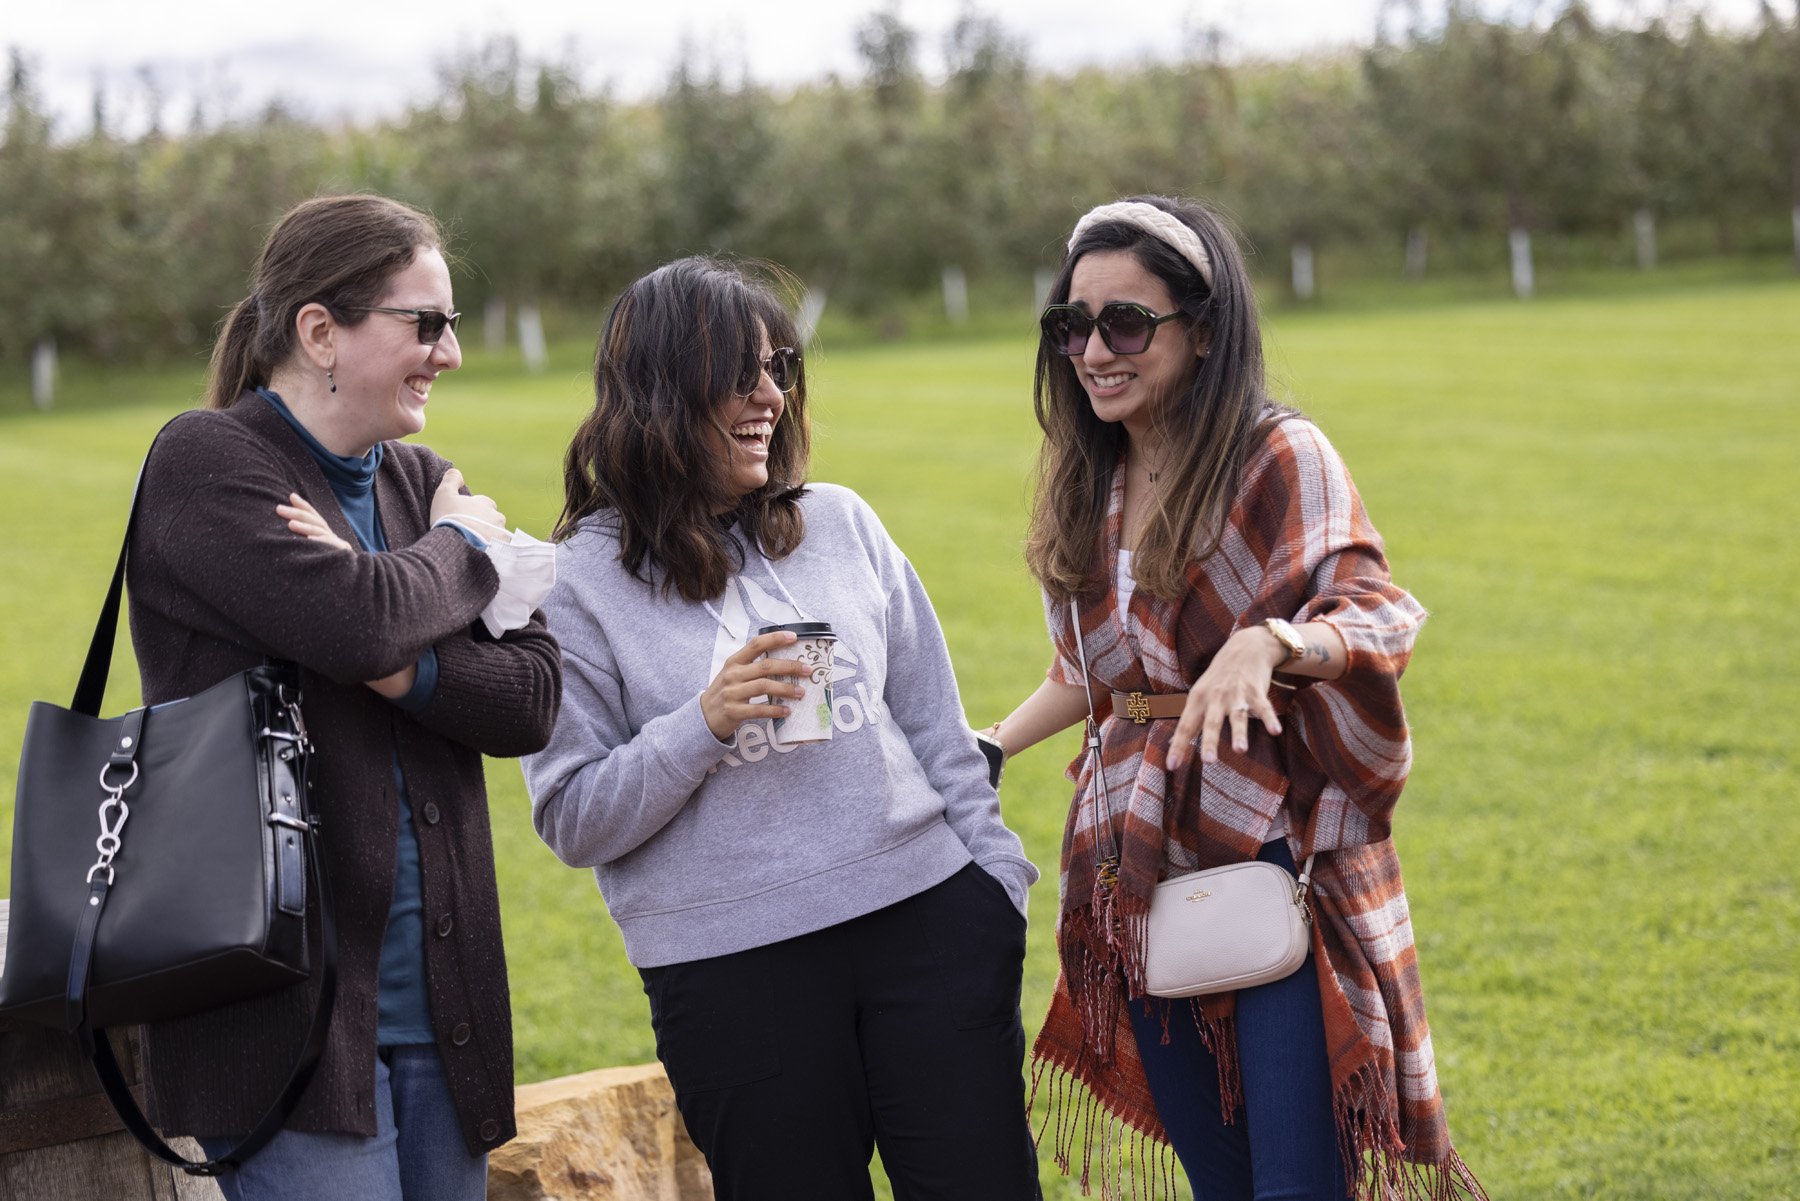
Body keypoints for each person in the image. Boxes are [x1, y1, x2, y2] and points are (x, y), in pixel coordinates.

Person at [981, 196, 1483, 1200]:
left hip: (1273, 855)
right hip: (1134, 864)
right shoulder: (1091, 477)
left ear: (1202, 330)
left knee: (1299, 1179)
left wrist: (1271, 640)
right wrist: (990, 744)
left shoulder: (1278, 455)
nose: (1093, 351)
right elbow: (1093, 674)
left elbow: (1377, 613)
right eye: (1071, 325)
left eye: (1125, 323)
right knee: (1221, 1177)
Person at [521, 256, 1042, 1201]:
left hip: (926, 928)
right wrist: (702, 724)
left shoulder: (841, 523)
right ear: (661, 393)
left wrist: (993, 887)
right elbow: (571, 815)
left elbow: (935, 726)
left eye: (780, 368)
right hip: (730, 977)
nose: (771, 395)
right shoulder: (575, 586)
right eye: (740, 374)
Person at [126, 194, 562, 1200]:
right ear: (319, 330)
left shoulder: (420, 479)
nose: (449, 353)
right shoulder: (207, 461)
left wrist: (406, 661)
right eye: (427, 323)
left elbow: (534, 694)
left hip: (443, 1016)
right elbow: (360, 622)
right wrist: (460, 552)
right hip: (279, 1022)